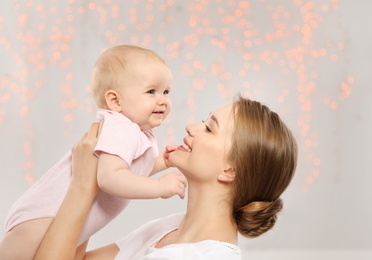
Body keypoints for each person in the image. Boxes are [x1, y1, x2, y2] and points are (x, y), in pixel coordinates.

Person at [33, 95, 298, 259]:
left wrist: (83, 186)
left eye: (208, 128)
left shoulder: (203, 257)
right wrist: (107, 174)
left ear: (229, 170)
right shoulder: (169, 229)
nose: (191, 128)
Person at [0, 45, 187, 260]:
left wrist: (161, 162)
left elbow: (127, 170)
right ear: (115, 101)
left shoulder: (133, 131)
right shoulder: (122, 128)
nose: (162, 100)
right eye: (151, 91)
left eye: (166, 91)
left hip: (52, 219)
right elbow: (110, 178)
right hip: (39, 219)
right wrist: (159, 187)